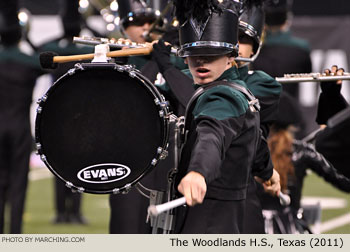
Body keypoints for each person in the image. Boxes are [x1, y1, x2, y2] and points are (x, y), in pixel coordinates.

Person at [161, 0, 281, 234]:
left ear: (230, 57)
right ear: (185, 57)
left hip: (208, 222)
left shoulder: (223, 96)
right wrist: (267, 172)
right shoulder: (237, 90)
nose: (201, 61)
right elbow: (255, 141)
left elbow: (212, 135)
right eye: (194, 53)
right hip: (225, 219)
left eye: (211, 53)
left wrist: (198, 172)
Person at [258, 92, 350, 234]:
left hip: (251, 231)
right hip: (292, 232)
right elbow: (345, 182)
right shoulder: (301, 152)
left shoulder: (249, 150)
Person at [38, 0, 92, 225]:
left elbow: (37, 48)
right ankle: (75, 213)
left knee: (59, 165)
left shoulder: (56, 52)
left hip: (58, 115)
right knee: (79, 165)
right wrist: (86, 23)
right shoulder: (85, 53)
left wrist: (63, 33)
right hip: (80, 115)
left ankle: (62, 212)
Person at [235, 0, 282, 233]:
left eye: (244, 39)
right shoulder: (189, 76)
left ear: (255, 48)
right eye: (230, 36)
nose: (236, 45)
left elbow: (235, 102)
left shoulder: (263, 84)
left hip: (240, 191)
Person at [0, 1, 44, 233]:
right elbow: (46, 62)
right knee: (18, 182)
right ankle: (14, 233)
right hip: (19, 127)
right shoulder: (27, 63)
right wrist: (27, 39)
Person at [252, 0, 311, 139]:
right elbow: (307, 72)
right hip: (292, 121)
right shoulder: (301, 49)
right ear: (287, 18)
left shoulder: (254, 49)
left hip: (261, 120)